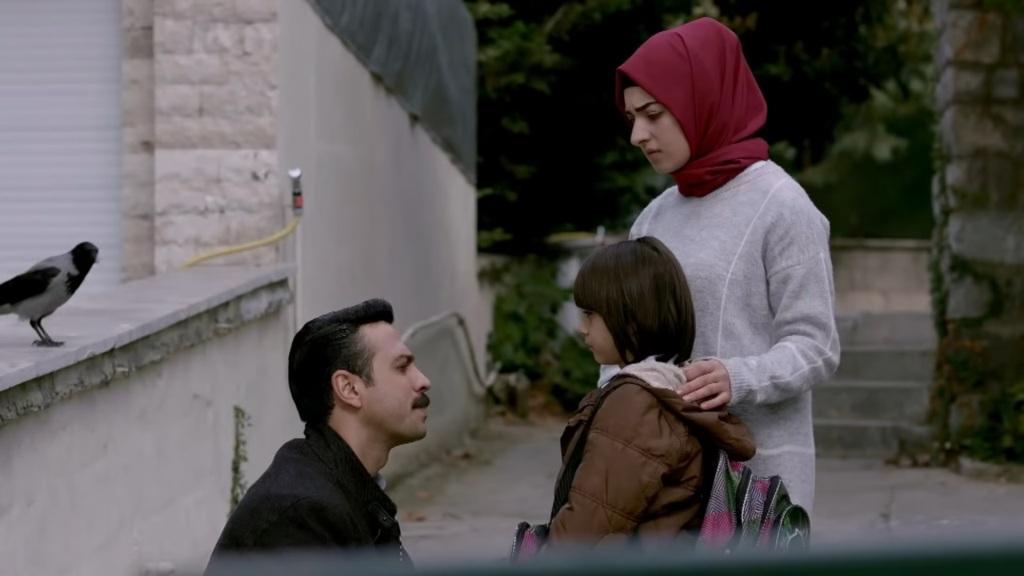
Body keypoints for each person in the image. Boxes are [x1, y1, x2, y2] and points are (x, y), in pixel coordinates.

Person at [611, 17, 840, 511]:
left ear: (702, 100)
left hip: (756, 481)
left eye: (652, 114)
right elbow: (623, 345)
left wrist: (737, 377)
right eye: (632, 118)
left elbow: (817, 346)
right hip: (659, 477)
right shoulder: (652, 218)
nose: (638, 135)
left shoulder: (783, 206)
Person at [546, 236, 755, 548]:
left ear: (631, 319)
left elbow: (585, 531)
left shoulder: (634, 404)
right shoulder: (667, 387)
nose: (581, 327)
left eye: (590, 314)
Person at [207, 299, 431, 567]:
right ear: (349, 389)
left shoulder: (344, 489)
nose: (423, 381)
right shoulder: (301, 515)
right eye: (402, 367)